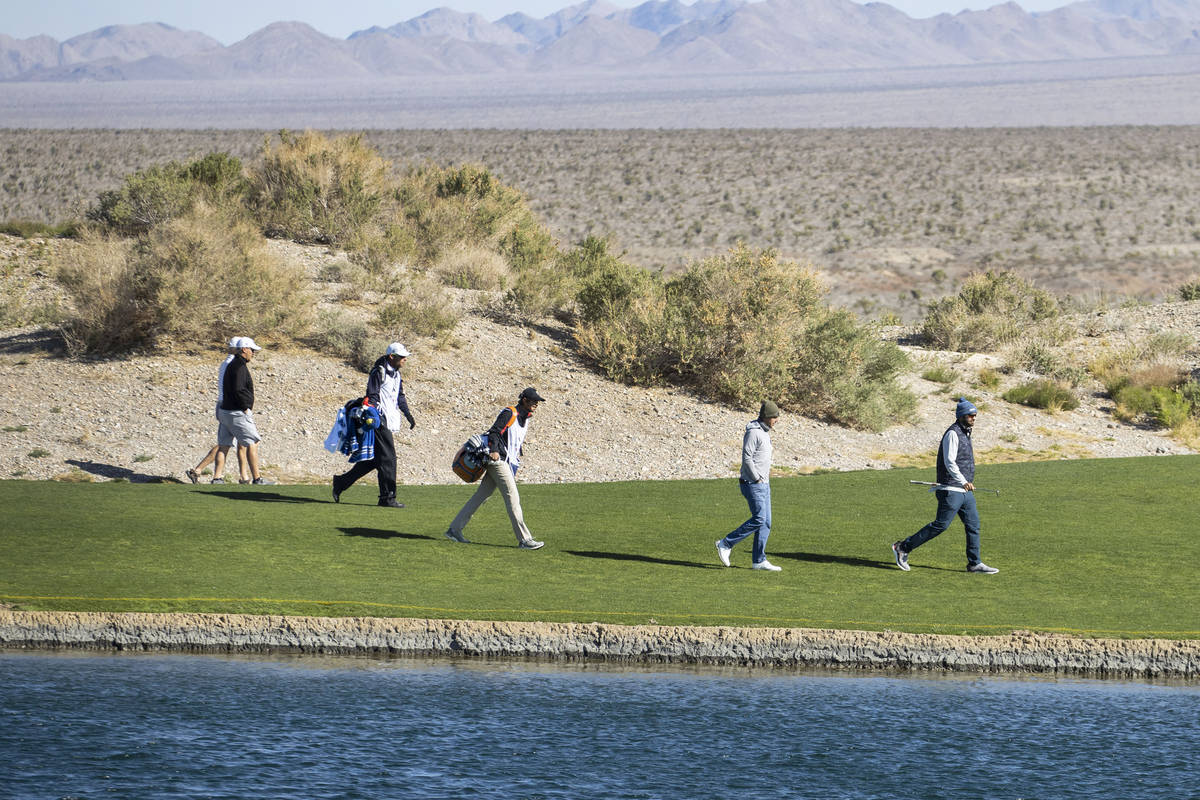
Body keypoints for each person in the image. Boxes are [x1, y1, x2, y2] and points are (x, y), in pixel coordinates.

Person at [892, 397, 998, 574]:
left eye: (975, 415)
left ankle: (975, 563)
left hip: (964, 491)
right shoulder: (953, 433)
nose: (973, 418)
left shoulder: (966, 433)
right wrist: (964, 481)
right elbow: (949, 462)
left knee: (973, 525)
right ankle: (903, 547)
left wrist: (965, 484)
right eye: (971, 415)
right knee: (941, 525)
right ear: (962, 415)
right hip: (951, 489)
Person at [444, 387, 546, 549]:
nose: (536, 404)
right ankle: (525, 539)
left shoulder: (525, 419)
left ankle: (454, 530)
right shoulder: (509, 412)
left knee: (481, 496)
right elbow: (495, 432)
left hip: (506, 461)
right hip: (498, 461)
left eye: (538, 402)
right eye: (534, 401)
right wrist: (494, 451)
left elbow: (512, 440)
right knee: (512, 497)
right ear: (524, 400)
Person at [332, 342, 415, 508]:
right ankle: (387, 498)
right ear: (392, 357)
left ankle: (341, 482)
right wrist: (374, 416)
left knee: (375, 460)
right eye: (402, 357)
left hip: (387, 419)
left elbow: (400, 396)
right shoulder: (379, 371)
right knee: (389, 459)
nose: (405, 359)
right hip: (378, 419)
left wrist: (408, 414)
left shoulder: (396, 374)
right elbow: (372, 395)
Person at [716, 401, 782, 571]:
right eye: (774, 417)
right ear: (766, 417)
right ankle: (725, 543)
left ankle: (759, 560)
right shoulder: (753, 433)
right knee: (759, 518)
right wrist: (757, 478)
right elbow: (747, 459)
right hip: (753, 484)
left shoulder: (765, 433)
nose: (776, 420)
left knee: (766, 523)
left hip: (764, 484)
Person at [186, 337, 248, 485]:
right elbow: (235, 389)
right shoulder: (233, 365)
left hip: (223, 405)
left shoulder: (226, 363)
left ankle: (202, 471)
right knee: (240, 442)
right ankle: (243, 478)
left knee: (226, 443)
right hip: (231, 406)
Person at [217, 336, 273, 485]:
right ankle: (257, 478)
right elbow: (239, 389)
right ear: (244, 349)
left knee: (224, 444)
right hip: (237, 412)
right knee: (253, 442)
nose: (253, 353)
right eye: (252, 350)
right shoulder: (239, 367)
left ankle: (217, 478)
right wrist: (246, 407)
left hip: (225, 411)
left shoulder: (231, 364)